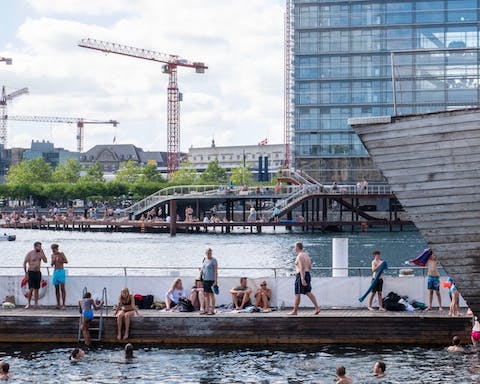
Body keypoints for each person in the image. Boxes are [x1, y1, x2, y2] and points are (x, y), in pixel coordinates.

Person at [288, 242, 320, 315]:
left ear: (298, 247)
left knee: (297, 293)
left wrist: (302, 278)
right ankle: (317, 308)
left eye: (295, 247)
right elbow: (310, 267)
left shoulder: (300, 256)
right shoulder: (306, 255)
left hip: (301, 275)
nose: (294, 248)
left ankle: (295, 311)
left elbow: (301, 268)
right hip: (307, 274)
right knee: (308, 292)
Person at [23, 241, 48, 309]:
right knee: (31, 288)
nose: (40, 248)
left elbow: (46, 261)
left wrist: (42, 253)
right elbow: (24, 263)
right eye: (39, 246)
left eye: (41, 246)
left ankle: (36, 303)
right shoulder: (30, 254)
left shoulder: (41, 253)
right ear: (35, 246)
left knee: (37, 289)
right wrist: (26, 273)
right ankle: (28, 303)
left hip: (38, 272)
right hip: (31, 272)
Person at [201, 247, 218, 315]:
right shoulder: (204, 259)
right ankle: (207, 309)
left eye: (210, 253)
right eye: (208, 253)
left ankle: (212, 310)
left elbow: (215, 271)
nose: (209, 254)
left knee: (211, 295)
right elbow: (203, 268)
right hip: (205, 279)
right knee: (206, 295)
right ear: (206, 253)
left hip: (211, 280)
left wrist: (215, 281)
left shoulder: (214, 260)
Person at [51, 243, 68, 309]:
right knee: (56, 288)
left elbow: (66, 261)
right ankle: (58, 304)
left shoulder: (61, 254)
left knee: (62, 288)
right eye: (52, 250)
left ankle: (63, 304)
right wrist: (53, 261)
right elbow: (52, 264)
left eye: (54, 249)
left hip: (61, 271)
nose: (53, 251)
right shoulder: (52, 255)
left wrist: (60, 260)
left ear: (57, 249)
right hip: (55, 271)